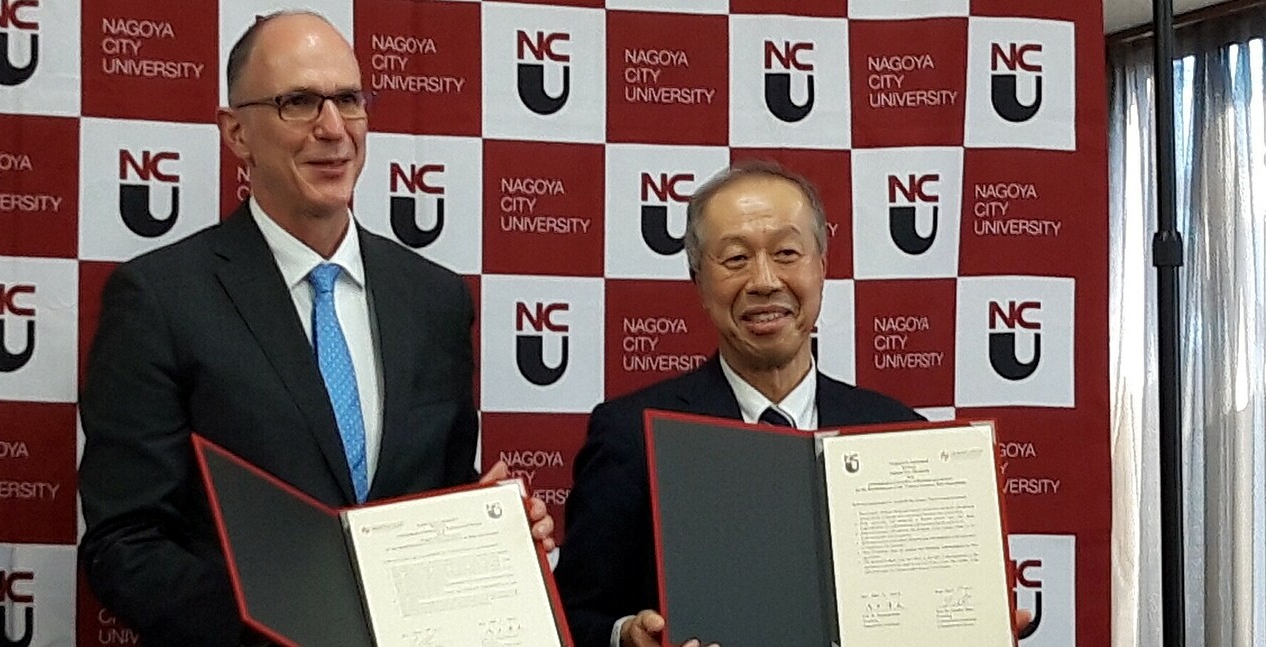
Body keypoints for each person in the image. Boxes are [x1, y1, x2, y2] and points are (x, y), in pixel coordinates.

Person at [77, 11, 551, 647]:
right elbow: (124, 544)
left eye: (348, 100)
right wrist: (293, 627)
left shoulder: (435, 299)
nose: (333, 130)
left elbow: (430, 499)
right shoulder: (160, 299)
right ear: (236, 133)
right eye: (298, 102)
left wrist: (488, 533)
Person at [550, 161, 931, 647]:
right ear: (698, 282)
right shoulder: (632, 434)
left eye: (787, 253)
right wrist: (626, 636)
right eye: (735, 259)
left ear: (822, 268)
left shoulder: (897, 433)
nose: (765, 281)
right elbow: (573, 618)